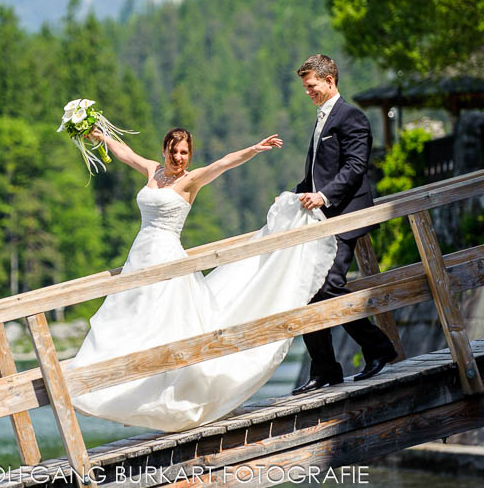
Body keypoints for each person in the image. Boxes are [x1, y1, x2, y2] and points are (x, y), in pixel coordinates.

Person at [69, 127, 337, 432]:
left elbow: (223, 164)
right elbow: (126, 153)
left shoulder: (190, 180)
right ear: (164, 150)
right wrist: (100, 136)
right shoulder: (152, 171)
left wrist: (253, 148)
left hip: (167, 257)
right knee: (130, 318)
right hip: (139, 257)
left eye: (185, 153)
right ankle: (117, 386)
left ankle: (169, 393)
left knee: (166, 322)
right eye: (174, 151)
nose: (179, 158)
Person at [290, 54, 397, 395]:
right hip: (322, 220)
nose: (308, 93)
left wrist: (323, 196)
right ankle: (325, 370)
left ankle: (378, 348)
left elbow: (354, 168)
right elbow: (317, 171)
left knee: (330, 285)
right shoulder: (322, 118)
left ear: (330, 80)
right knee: (309, 290)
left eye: (312, 86)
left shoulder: (352, 117)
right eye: (306, 87)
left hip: (344, 216)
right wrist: (294, 196)